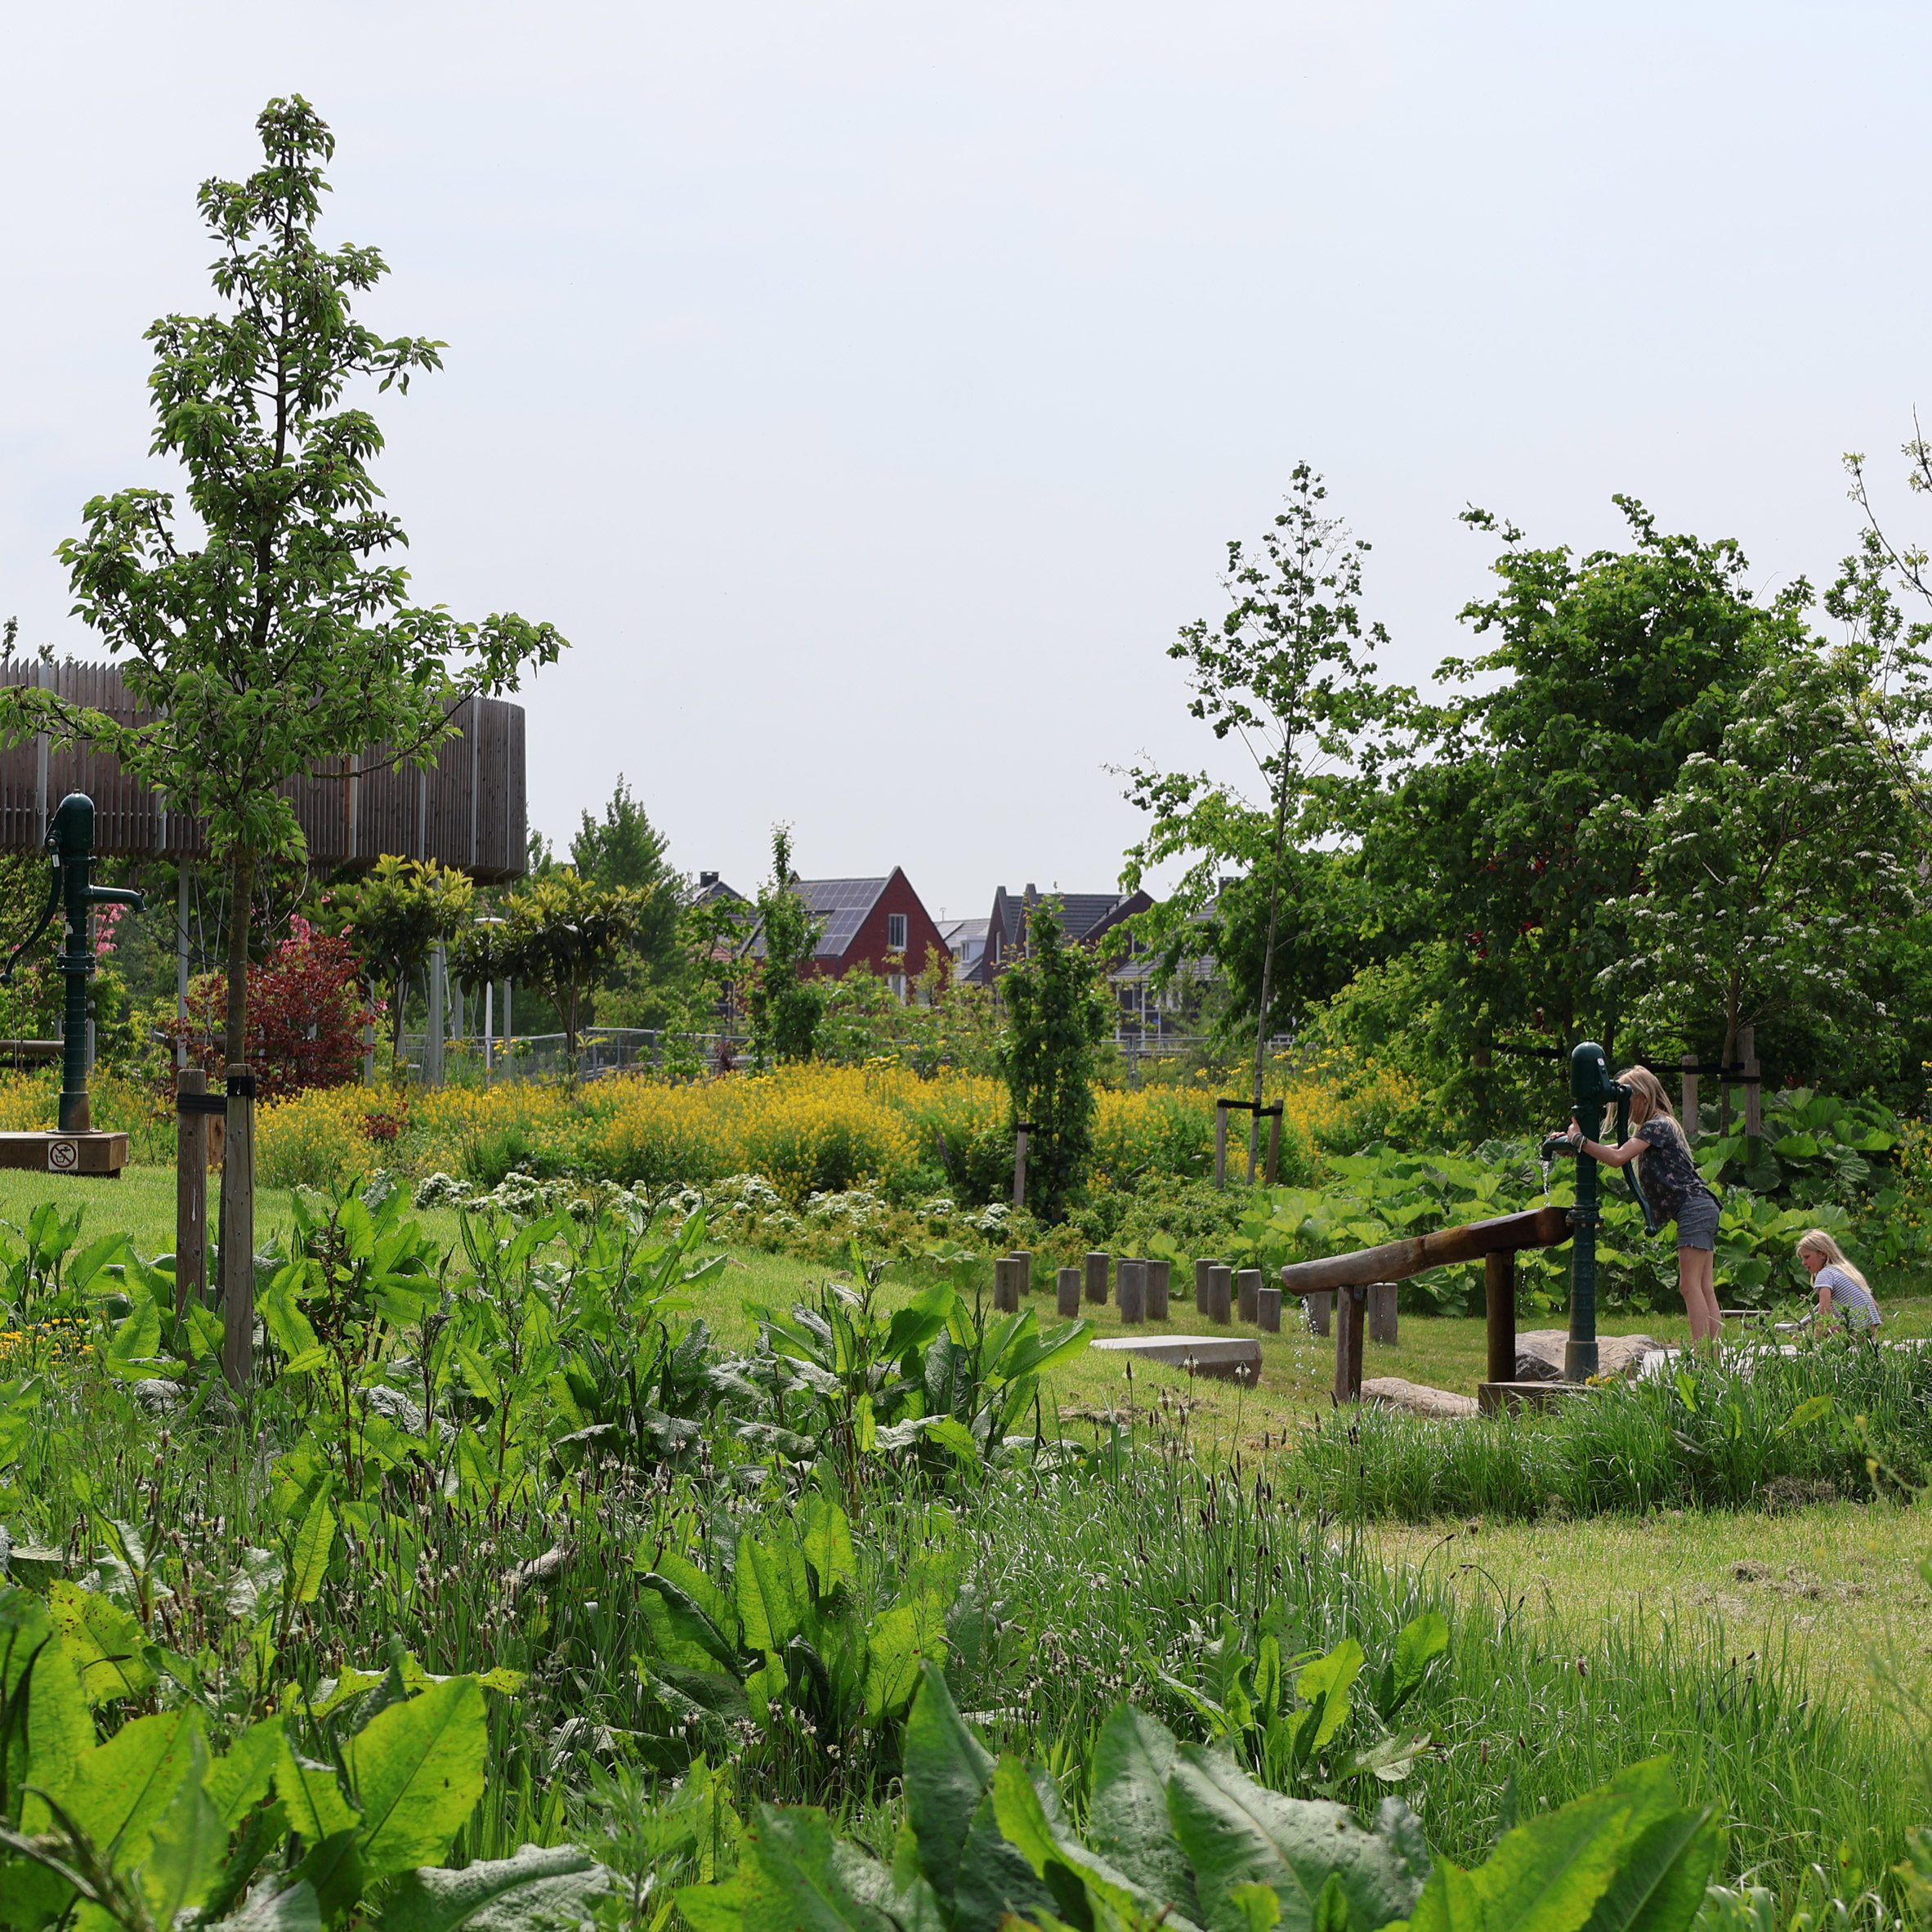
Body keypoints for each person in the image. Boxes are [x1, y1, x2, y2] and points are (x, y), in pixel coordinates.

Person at [1561, 1066, 1723, 1345]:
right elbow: (1615, 1149)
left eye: (1627, 1102)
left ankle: (1704, 1358)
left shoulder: (1657, 1125)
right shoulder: (1657, 1127)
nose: (1624, 1109)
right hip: (1701, 1206)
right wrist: (1576, 1144)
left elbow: (1617, 1158)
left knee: (1689, 1287)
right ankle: (1715, 1358)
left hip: (1693, 1209)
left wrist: (1580, 1140)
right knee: (1704, 1287)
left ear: (1643, 1098)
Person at [1796, 1228, 1881, 1335]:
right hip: (1869, 1330)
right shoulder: (1847, 1271)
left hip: (1854, 1332)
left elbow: (1824, 1312)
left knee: (1807, 1336)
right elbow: (1875, 1306)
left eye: (1807, 1257)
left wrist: (1815, 1339)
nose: (1803, 1263)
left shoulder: (1825, 1274)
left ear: (1822, 1254)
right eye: (1802, 1259)